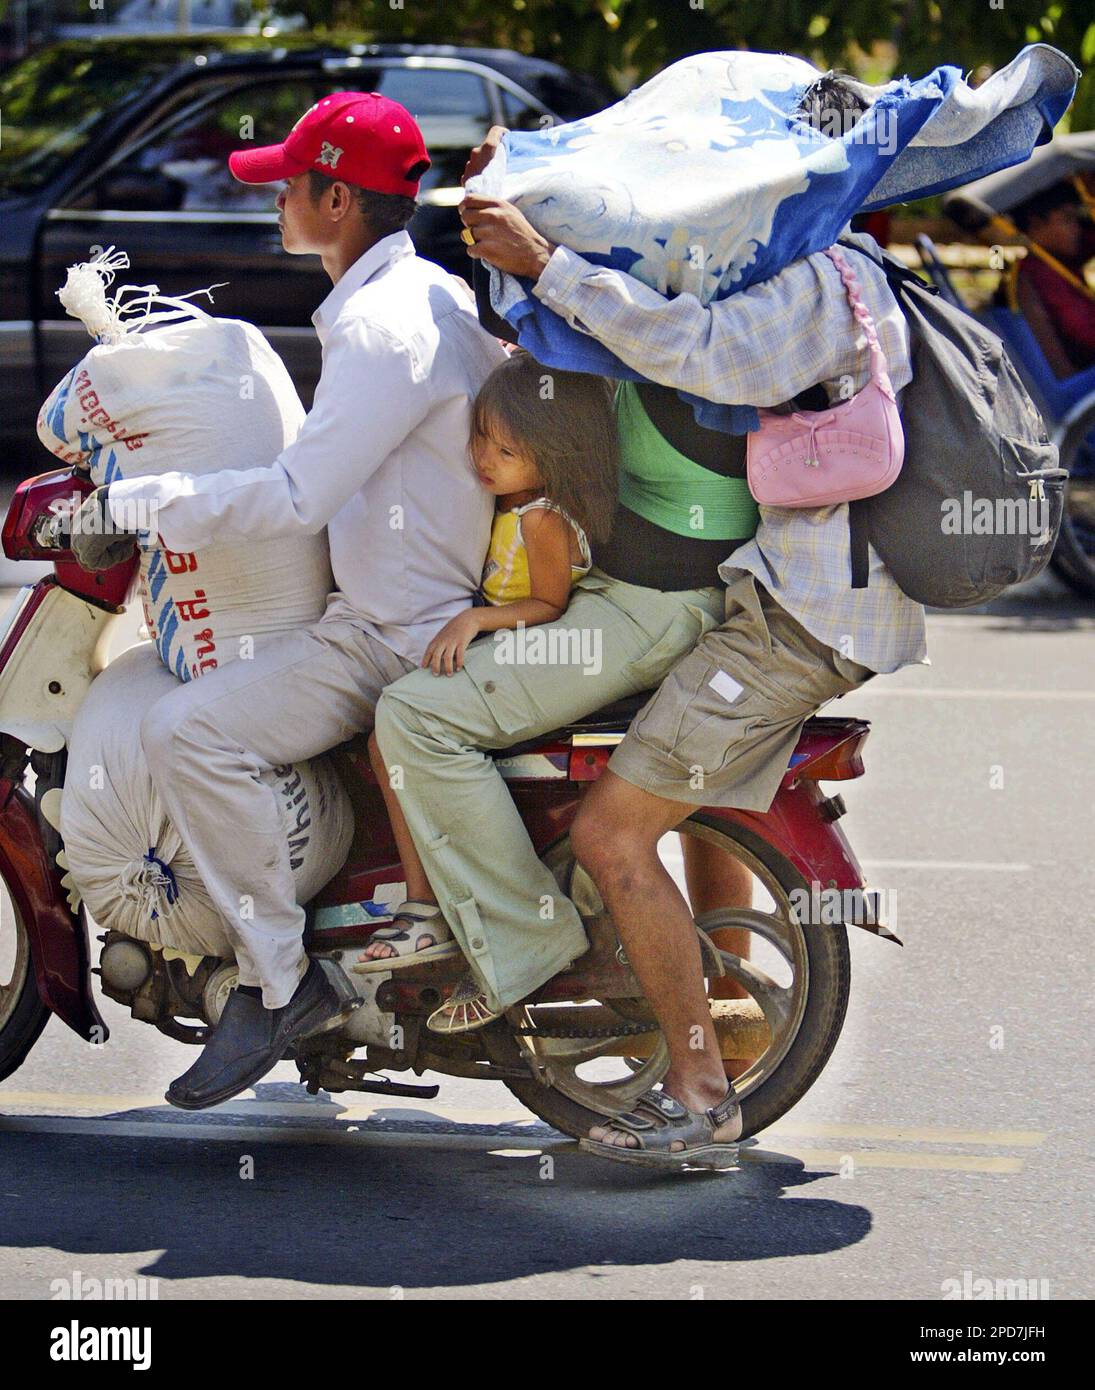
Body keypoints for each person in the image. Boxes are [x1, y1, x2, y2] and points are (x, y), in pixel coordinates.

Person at [372, 79, 927, 1166]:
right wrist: (522, 186)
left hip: (797, 621)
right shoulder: (789, 260)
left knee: (616, 831)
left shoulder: (818, 285)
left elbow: (697, 351)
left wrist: (547, 263)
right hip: (765, 602)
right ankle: (718, 996)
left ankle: (698, 1093)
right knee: (666, 793)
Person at [70, 92, 509, 1111]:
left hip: (389, 632)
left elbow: (301, 493)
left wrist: (143, 500)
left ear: (338, 199)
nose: (277, 203)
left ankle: (281, 981)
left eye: (289, 185)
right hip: (409, 602)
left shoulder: (379, 325)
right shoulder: (430, 293)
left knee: (189, 732)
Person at [354, 350, 618, 1011]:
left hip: (535, 641)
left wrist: (477, 617)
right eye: (480, 437)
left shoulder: (540, 517)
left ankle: (429, 906)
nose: (483, 458)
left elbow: (548, 605)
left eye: (505, 449)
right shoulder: (509, 503)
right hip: (511, 640)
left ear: (551, 455)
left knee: (399, 727)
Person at [1009, 180, 1095, 376]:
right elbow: (1083, 333)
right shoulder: (1040, 273)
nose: (1076, 229)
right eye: (1067, 220)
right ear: (1036, 225)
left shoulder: (1059, 262)